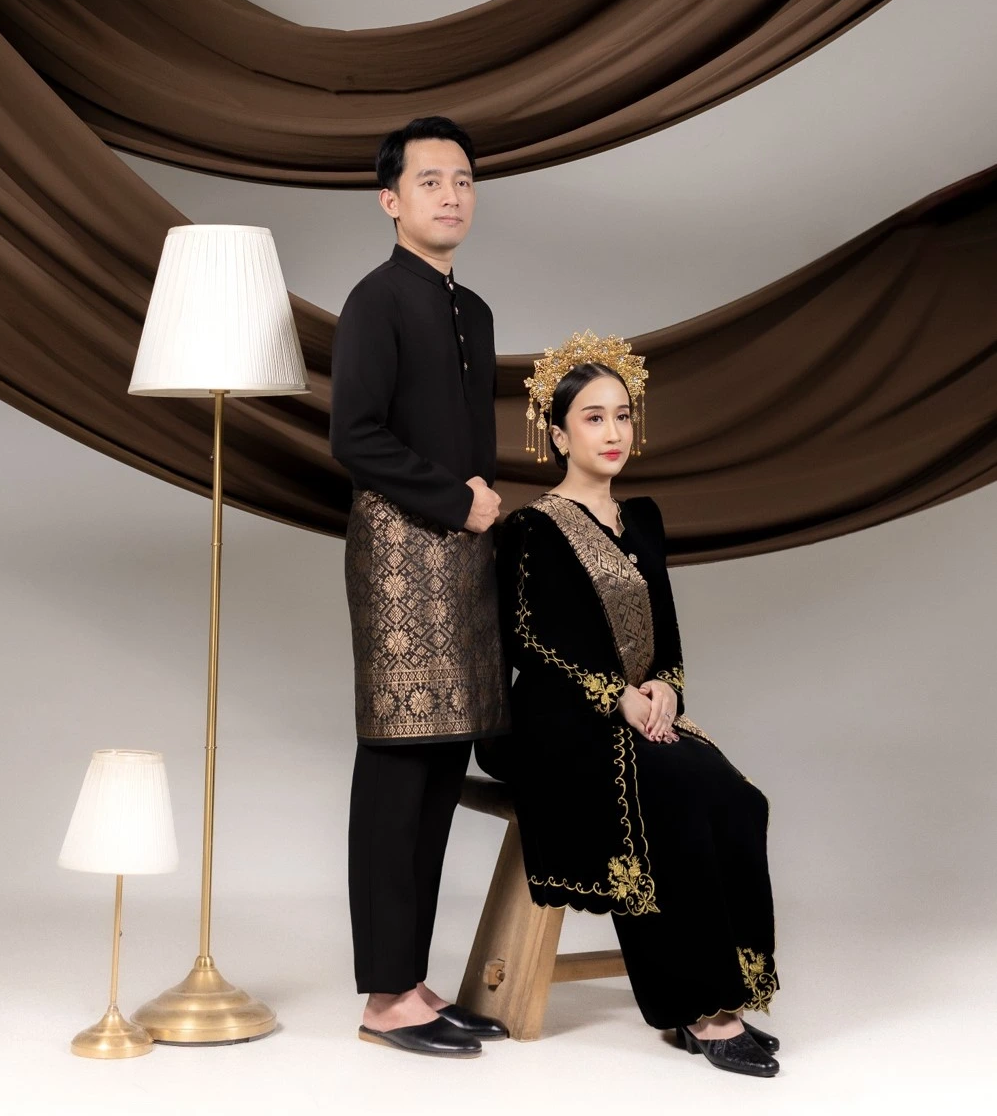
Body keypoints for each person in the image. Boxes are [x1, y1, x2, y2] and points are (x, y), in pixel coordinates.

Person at [486, 333, 780, 1078]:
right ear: (558, 435)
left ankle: (725, 990)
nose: (613, 432)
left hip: (640, 715)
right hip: (557, 721)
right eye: (593, 418)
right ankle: (702, 1009)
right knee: (673, 799)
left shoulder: (641, 519)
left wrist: (666, 685)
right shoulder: (532, 527)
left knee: (737, 799)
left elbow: (666, 630)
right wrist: (611, 693)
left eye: (622, 415)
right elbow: (527, 638)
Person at [330, 115, 511, 1059]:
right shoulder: (376, 298)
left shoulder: (470, 308)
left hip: (465, 549)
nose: (450, 194)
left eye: (463, 180)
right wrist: (456, 500)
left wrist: (479, 511)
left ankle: (408, 977)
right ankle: (382, 993)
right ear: (390, 199)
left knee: (443, 762)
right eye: (430, 180)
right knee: (397, 765)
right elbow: (353, 435)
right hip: (402, 550)